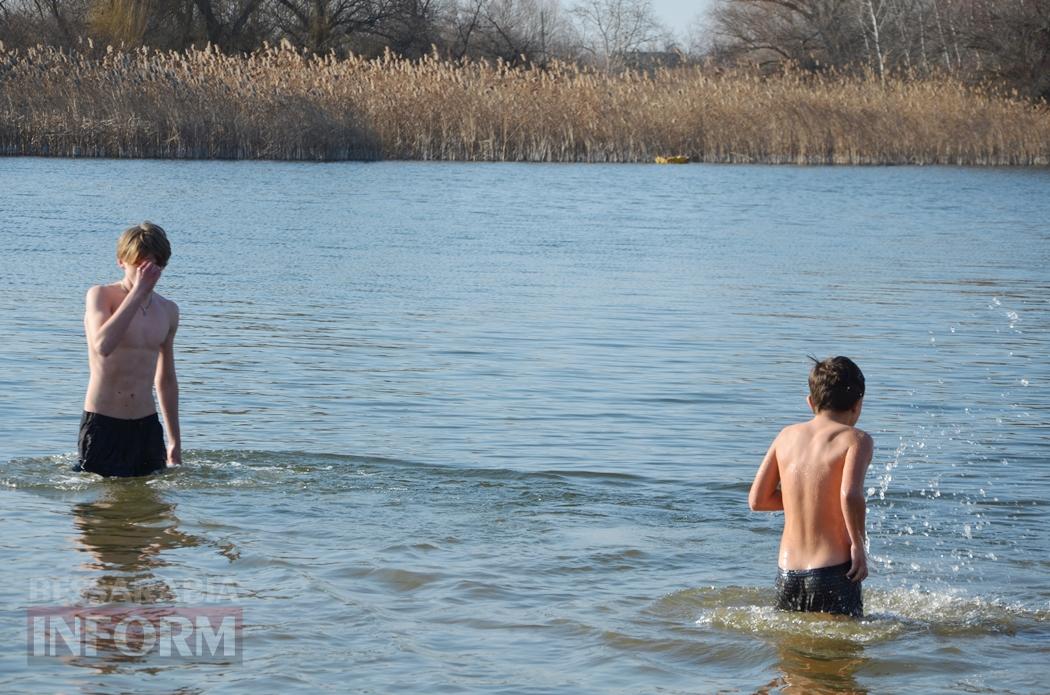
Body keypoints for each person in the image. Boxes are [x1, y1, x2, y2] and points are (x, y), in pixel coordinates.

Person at [749, 356, 873, 618]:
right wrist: (858, 546)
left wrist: (805, 498)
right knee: (845, 654)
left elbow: (758, 500)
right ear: (858, 405)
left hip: (787, 573)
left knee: (791, 653)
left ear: (810, 402)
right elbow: (850, 494)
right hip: (834, 571)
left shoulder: (786, 435)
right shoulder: (856, 439)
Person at [75, 222, 181, 476]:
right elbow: (103, 345)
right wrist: (138, 292)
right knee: (97, 513)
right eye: (140, 266)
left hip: (146, 425)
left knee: (152, 511)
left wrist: (174, 440)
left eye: (155, 267)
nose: (147, 274)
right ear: (122, 261)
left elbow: (166, 378)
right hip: (104, 422)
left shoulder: (168, 310)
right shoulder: (101, 295)